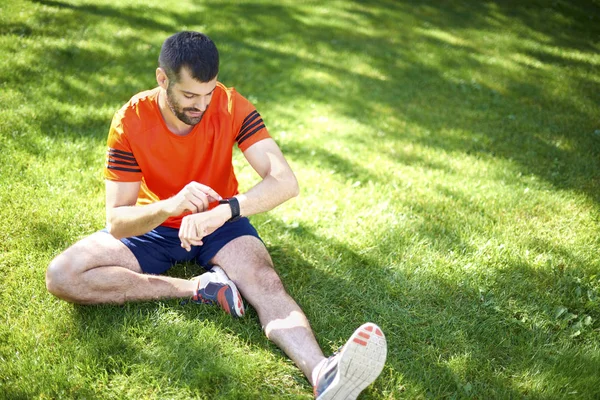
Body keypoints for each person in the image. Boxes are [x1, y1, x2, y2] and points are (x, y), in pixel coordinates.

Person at [45, 31, 387, 399]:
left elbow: (285, 181)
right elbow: (118, 221)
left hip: (221, 223)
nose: (201, 105)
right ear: (163, 79)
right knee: (63, 275)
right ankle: (202, 289)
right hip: (155, 225)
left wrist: (224, 211)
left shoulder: (228, 104)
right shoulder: (131, 120)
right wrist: (172, 205)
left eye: (208, 93)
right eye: (190, 95)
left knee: (264, 281)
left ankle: (323, 373)